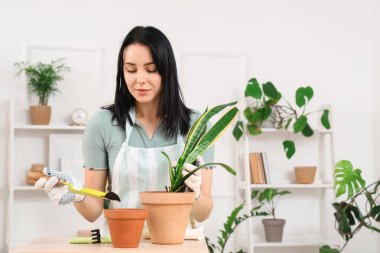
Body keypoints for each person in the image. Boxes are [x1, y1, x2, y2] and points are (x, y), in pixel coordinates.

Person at [35, 26, 215, 228]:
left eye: (151, 69)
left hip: (177, 244)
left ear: (167, 71)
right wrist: (76, 193)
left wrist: (196, 194)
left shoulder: (196, 125)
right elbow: (93, 211)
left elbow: (203, 213)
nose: (140, 79)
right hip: (121, 243)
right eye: (130, 69)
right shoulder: (102, 124)